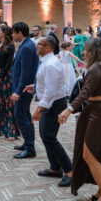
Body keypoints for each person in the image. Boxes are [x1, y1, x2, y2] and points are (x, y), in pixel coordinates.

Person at [58, 38, 101, 200]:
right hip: (100, 111)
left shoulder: (97, 67)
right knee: (97, 154)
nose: (83, 53)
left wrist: (69, 109)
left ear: (94, 52)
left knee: (89, 155)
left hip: (100, 113)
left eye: (85, 50)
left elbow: (85, 91)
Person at [29, 36, 73, 188]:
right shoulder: (47, 62)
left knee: (49, 137)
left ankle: (70, 170)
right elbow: (47, 83)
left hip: (54, 104)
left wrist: (39, 109)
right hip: (51, 103)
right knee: (45, 136)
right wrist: (34, 87)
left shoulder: (51, 64)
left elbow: (51, 91)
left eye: (39, 44)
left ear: (48, 47)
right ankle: (55, 168)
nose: (36, 46)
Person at [10, 22, 38, 159]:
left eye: (13, 33)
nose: (12, 35)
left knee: (21, 115)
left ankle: (30, 148)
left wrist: (18, 91)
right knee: (25, 115)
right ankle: (28, 142)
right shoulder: (26, 44)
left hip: (24, 89)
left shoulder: (27, 47)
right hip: (24, 88)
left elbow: (26, 73)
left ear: (19, 32)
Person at [0, 25, 19, 140]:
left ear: (4, 33)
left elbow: (8, 64)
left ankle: (11, 129)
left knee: (7, 102)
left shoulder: (10, 46)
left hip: (5, 76)